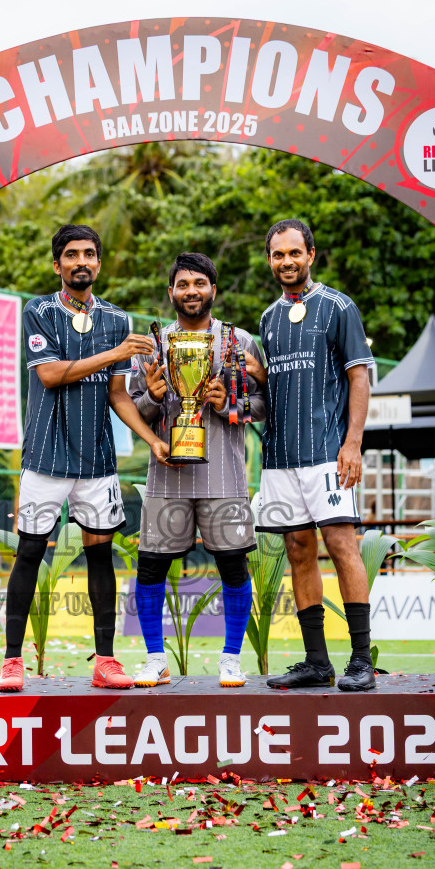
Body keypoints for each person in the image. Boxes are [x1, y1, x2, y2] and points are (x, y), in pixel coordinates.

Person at [0, 224, 171, 693]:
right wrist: (115, 352)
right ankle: (12, 662)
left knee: (100, 557)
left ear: (98, 262)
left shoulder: (115, 318)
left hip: (96, 461)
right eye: (71, 254)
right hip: (45, 458)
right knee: (30, 552)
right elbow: (50, 375)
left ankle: (106, 662)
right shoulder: (39, 311)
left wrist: (150, 439)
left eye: (89, 254)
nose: (81, 261)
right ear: (57, 265)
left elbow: (119, 394)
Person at [129, 252, 266, 688]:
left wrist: (228, 403)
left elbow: (263, 406)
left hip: (224, 476)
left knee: (233, 567)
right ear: (171, 292)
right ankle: (155, 658)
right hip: (166, 473)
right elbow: (134, 412)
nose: (192, 291)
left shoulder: (239, 341)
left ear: (213, 289)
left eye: (199, 283)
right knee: (151, 567)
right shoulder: (154, 345)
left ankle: (231, 658)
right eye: (183, 284)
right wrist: (152, 397)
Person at [254, 219, 375, 691]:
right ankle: (317, 663)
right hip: (280, 457)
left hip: (327, 452)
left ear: (310, 255)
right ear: (270, 260)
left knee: (342, 546)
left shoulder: (339, 307)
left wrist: (353, 443)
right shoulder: (268, 318)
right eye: (278, 254)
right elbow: (272, 390)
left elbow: (359, 376)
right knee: (298, 550)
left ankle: (361, 661)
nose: (286, 261)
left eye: (293, 253)